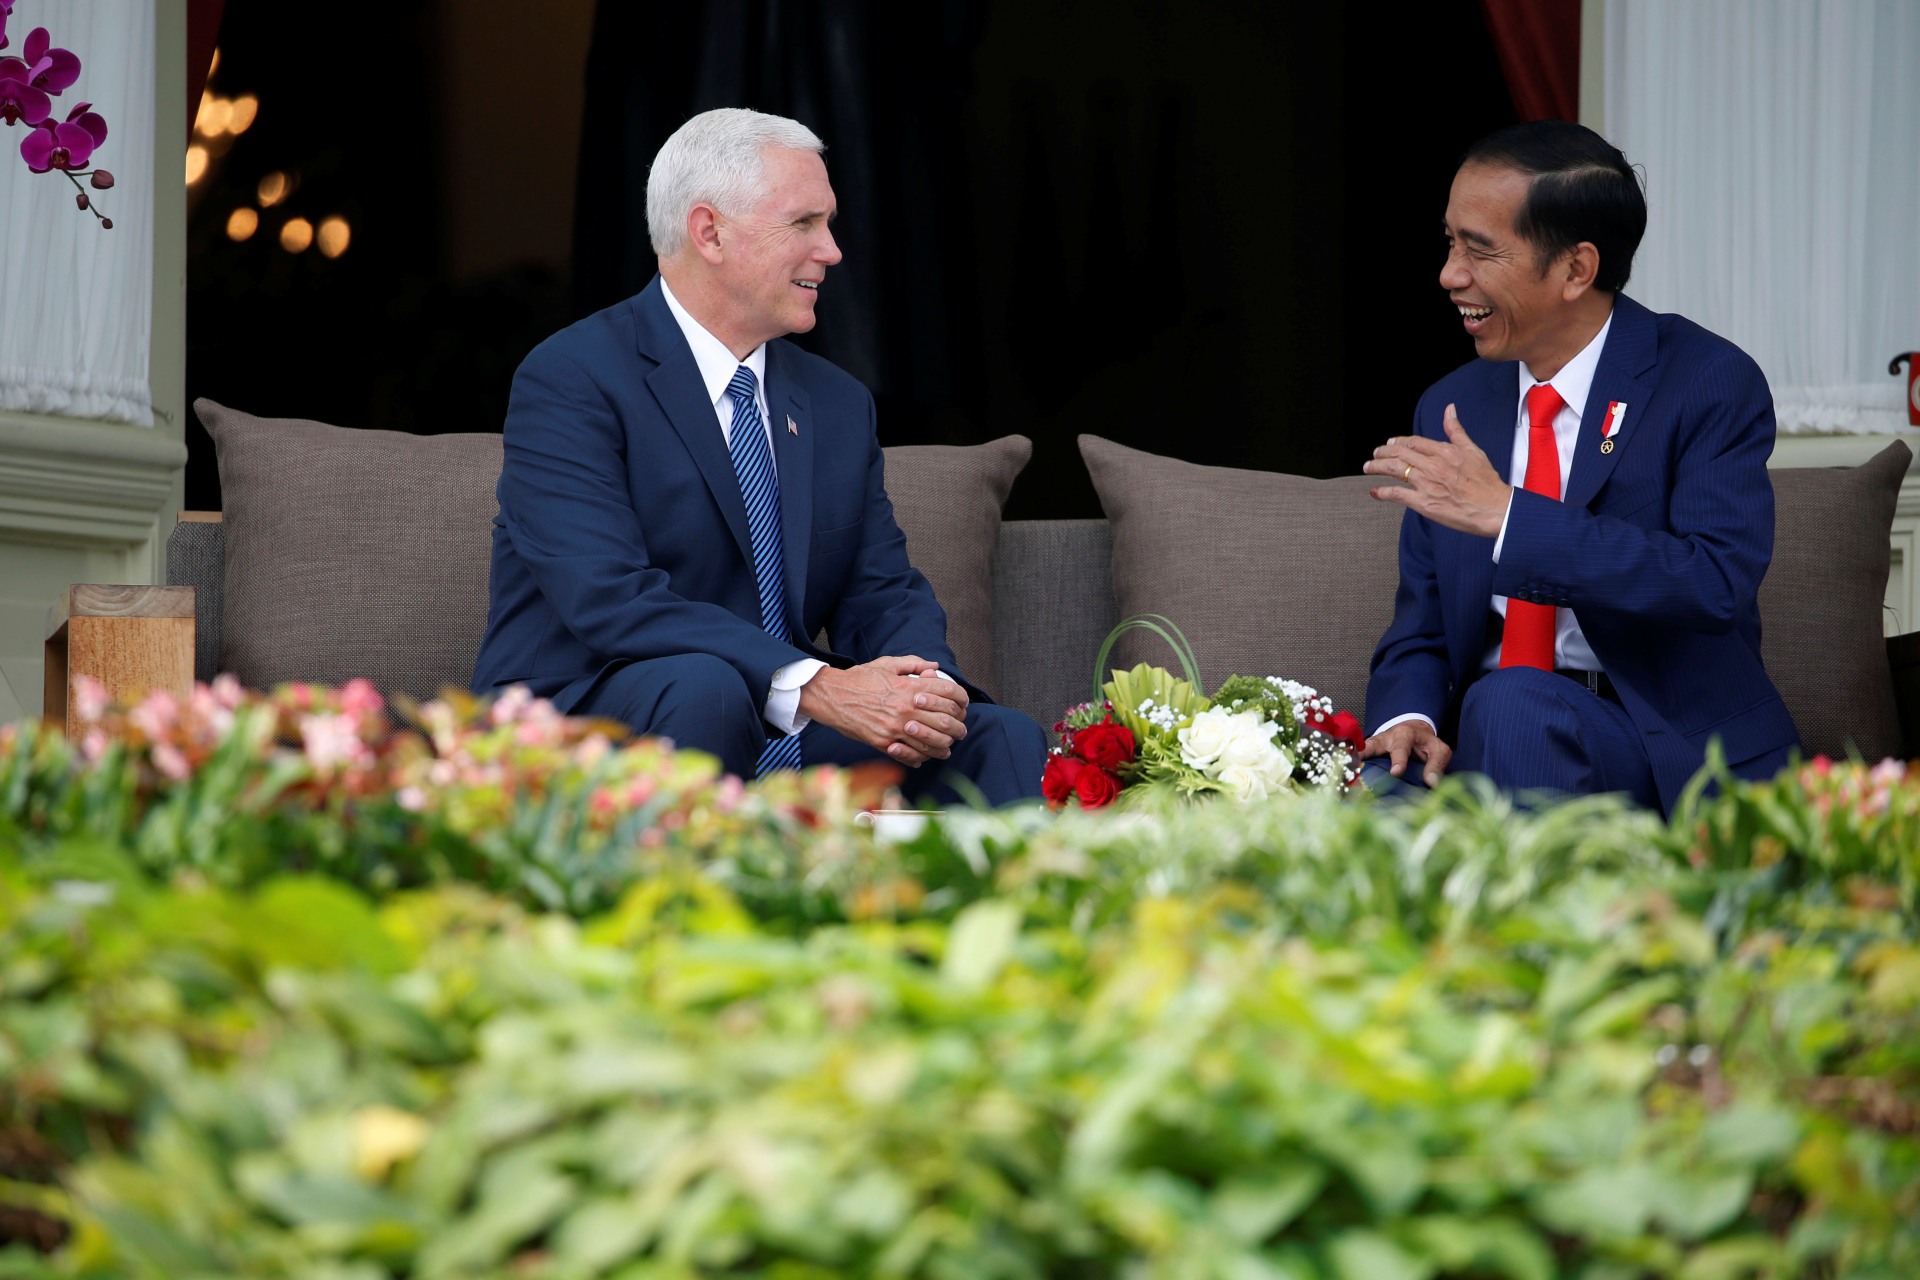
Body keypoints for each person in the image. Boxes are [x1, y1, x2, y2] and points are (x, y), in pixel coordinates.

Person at [472, 107, 1047, 806]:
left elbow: (881, 589)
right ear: (709, 231)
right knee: (705, 687)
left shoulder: (835, 401)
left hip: (785, 727)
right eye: (804, 224)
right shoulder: (572, 376)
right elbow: (609, 597)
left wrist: (925, 692)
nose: (832, 251)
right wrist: (817, 686)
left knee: (997, 737)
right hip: (600, 717)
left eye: (829, 224)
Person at [1359, 120, 1798, 814]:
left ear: (1575, 269)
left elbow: (1714, 581)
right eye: (1450, 242)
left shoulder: (1706, 380)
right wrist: (1405, 718)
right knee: (1367, 809)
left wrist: (1510, 517)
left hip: (1661, 750)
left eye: (1480, 250)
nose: (1449, 275)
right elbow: (1423, 627)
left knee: (1511, 702)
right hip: (1488, 750)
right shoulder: (1453, 405)